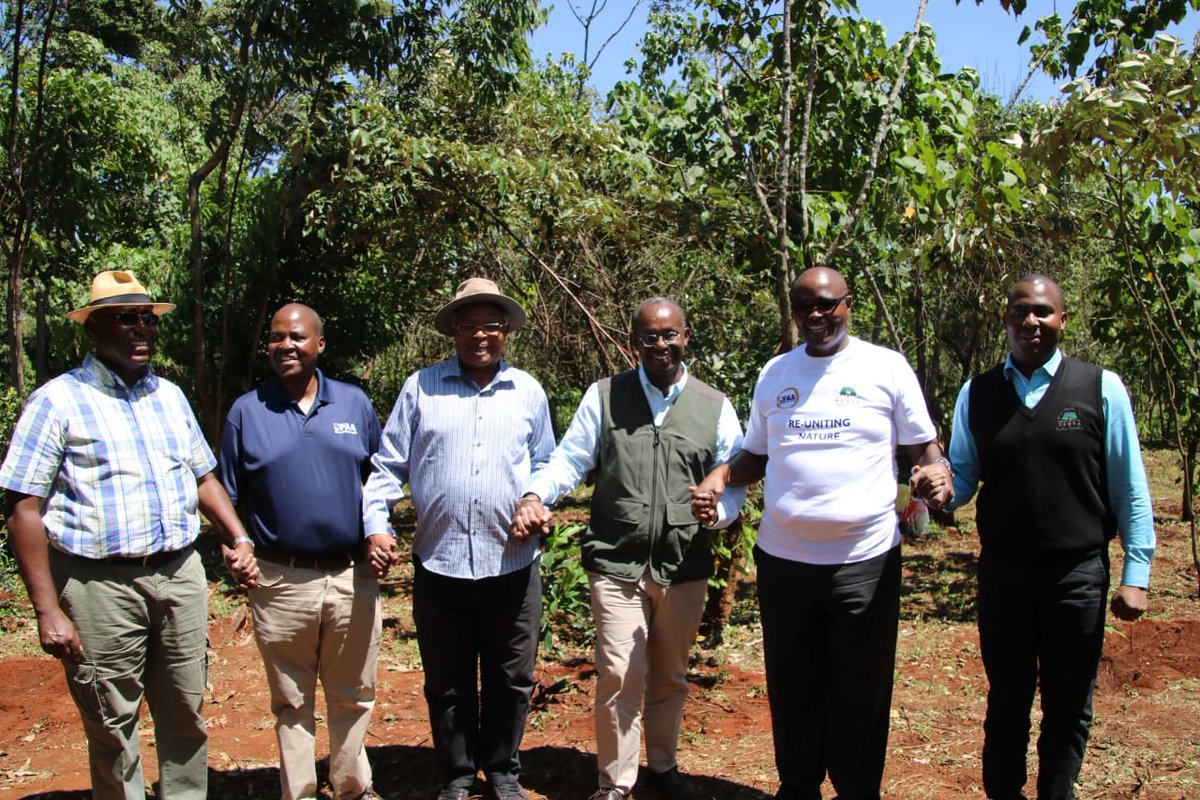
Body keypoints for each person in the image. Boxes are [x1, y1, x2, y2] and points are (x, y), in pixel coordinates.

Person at [691, 267, 952, 800]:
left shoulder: (886, 368)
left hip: (865, 561)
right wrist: (723, 474)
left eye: (827, 304)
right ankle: (799, 787)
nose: (816, 316)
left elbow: (923, 447)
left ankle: (857, 789)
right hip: (784, 561)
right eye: (804, 306)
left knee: (862, 684)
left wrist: (935, 472)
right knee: (793, 685)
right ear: (793, 311)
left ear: (848, 304)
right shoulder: (776, 373)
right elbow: (756, 455)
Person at [0, 270, 256, 800]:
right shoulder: (57, 401)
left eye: (147, 318)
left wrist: (238, 536)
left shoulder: (169, 396)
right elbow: (23, 507)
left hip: (180, 575)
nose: (142, 329)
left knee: (187, 710)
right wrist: (47, 609)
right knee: (112, 725)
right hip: (99, 588)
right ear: (93, 329)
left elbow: (202, 476)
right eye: (125, 318)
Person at [911, 274, 1154, 800]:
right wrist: (940, 489)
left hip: (1078, 576)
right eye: (1020, 311)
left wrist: (1137, 574)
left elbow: (1130, 487)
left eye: (1043, 311)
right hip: (1005, 575)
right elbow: (965, 480)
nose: (1031, 321)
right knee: (1007, 700)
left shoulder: (1099, 388)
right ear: (1006, 321)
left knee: (1068, 705)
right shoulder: (978, 393)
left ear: (1063, 321)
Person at [513, 297, 747, 800]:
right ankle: (616, 781)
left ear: (686, 336)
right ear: (633, 340)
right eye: (649, 337)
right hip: (616, 559)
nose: (660, 345)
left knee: (670, 674)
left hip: (684, 563)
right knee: (619, 671)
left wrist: (720, 512)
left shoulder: (715, 406)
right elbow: (570, 458)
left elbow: (735, 478)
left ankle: (662, 767)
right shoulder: (604, 397)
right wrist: (535, 493)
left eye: (669, 335)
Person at [362, 277, 554, 800]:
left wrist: (536, 499)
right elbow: (386, 467)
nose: (480, 336)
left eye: (491, 325)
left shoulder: (528, 391)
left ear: (506, 332)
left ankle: (504, 772)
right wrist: (376, 524)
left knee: (511, 678)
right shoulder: (419, 387)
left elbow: (545, 463)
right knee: (447, 683)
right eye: (468, 326)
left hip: (511, 564)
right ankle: (457, 774)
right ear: (452, 331)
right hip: (439, 562)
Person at [218, 303, 384, 800]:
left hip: (351, 575)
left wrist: (380, 531)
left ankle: (353, 787)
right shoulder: (246, 412)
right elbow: (223, 493)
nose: (284, 346)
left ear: (320, 344)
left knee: (353, 692)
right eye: (274, 338)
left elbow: (380, 480)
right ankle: (301, 791)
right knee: (291, 698)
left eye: (295, 336)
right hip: (280, 579)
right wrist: (236, 545)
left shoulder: (354, 405)